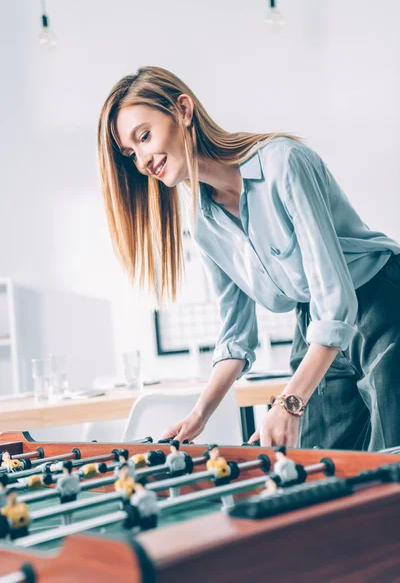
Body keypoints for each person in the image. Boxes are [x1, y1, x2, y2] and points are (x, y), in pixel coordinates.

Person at [97, 66, 400, 452]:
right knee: (315, 465)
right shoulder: (204, 223)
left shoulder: (283, 162)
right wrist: (200, 415)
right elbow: (236, 337)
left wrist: (289, 405)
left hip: (383, 306)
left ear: (183, 110)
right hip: (314, 323)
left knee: (388, 465)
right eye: (130, 152)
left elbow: (336, 301)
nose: (142, 160)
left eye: (144, 136)